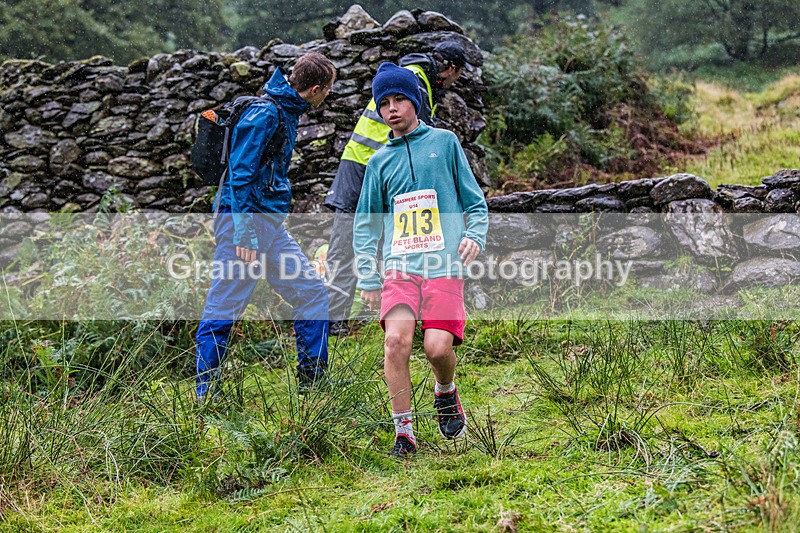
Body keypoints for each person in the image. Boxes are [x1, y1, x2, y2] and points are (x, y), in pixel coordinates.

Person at [352, 63, 488, 458]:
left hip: (444, 264)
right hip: (400, 267)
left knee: (436, 349)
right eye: (384, 103)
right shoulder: (377, 163)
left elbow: (475, 203)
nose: (392, 109)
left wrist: (474, 237)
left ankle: (445, 391)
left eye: (399, 99)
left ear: (415, 101)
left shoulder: (445, 143)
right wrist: (367, 275)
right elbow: (366, 225)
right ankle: (404, 434)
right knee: (395, 342)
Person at [195, 52, 337, 401]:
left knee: (312, 294)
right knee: (223, 309)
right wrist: (243, 231)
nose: (328, 97)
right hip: (243, 224)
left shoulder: (285, 111)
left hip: (270, 227)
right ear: (316, 89)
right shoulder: (266, 113)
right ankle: (204, 396)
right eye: (328, 90)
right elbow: (239, 176)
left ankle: (313, 387)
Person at [324, 41, 473, 336]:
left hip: (364, 165)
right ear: (452, 69)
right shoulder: (415, 81)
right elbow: (421, 139)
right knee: (346, 241)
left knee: (370, 240)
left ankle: (355, 317)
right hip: (365, 167)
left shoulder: (414, 74)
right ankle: (332, 321)